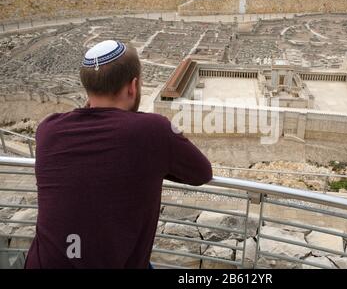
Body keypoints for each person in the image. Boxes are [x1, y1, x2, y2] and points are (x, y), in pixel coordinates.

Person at [24, 40, 212, 269]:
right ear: (133, 86)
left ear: (87, 89)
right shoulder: (153, 130)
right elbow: (202, 172)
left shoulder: (48, 130)